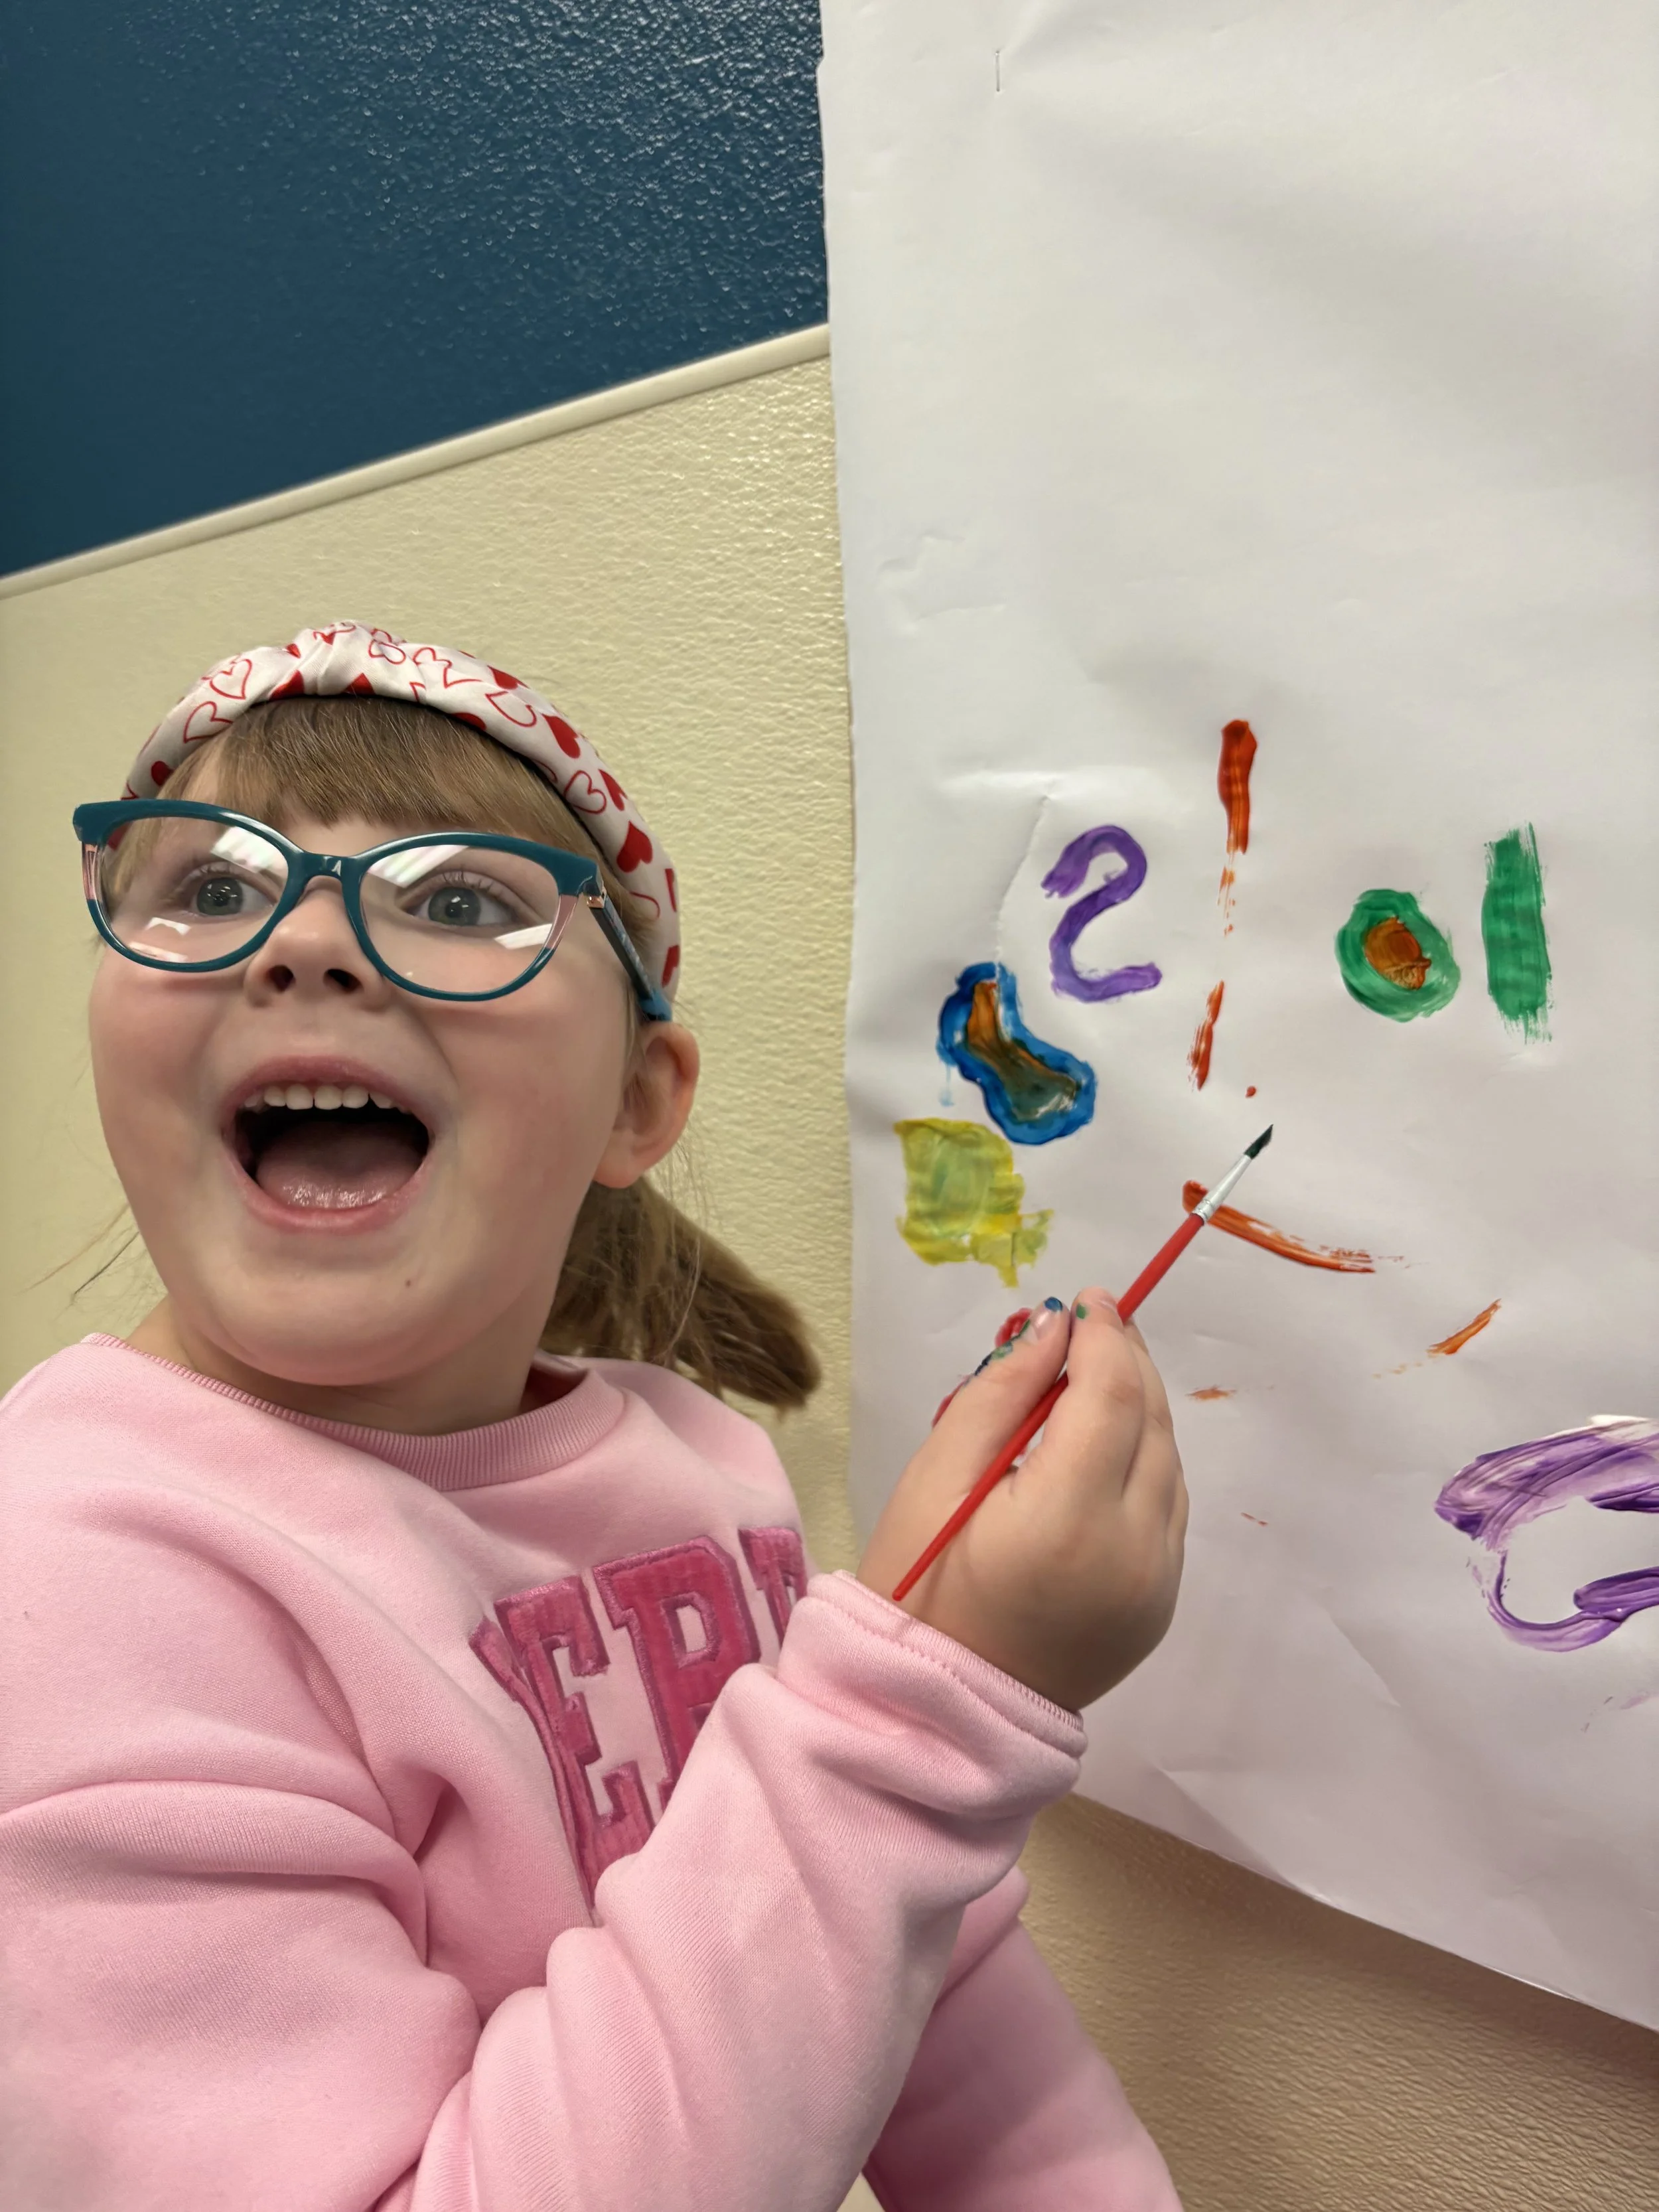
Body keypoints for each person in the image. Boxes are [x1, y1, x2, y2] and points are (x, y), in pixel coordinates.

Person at [0, 620, 1186, 2210]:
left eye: (461, 900)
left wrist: (901, 1772)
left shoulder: (698, 1463)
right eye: (209, 886)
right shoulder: (67, 1574)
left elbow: (940, 2008)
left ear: (637, 1100)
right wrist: (929, 1714)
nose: (299, 944)